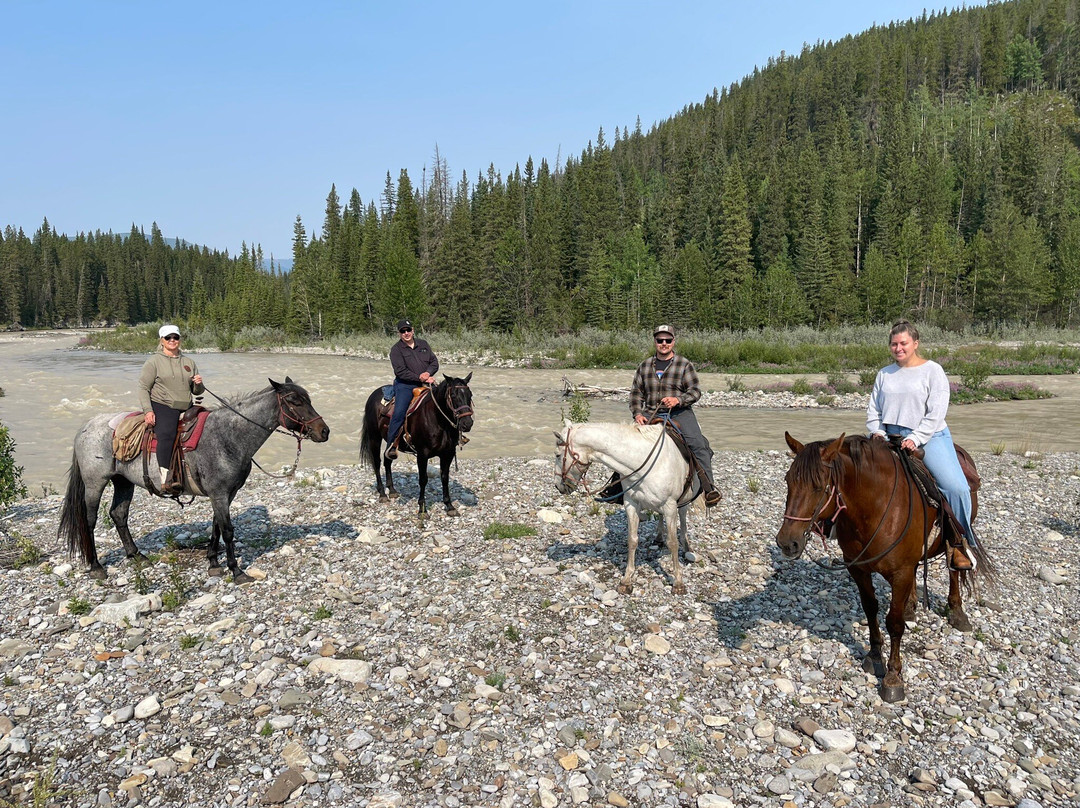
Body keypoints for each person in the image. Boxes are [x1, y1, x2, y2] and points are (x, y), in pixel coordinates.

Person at [866, 320, 975, 570]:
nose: (898, 348)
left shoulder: (932, 371)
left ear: (915, 343)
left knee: (956, 487)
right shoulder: (884, 373)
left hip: (929, 436)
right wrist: (877, 432)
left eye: (903, 343)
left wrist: (915, 437)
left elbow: (936, 412)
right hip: (889, 437)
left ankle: (959, 543)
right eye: (894, 344)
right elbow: (874, 410)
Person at [630, 325, 721, 507]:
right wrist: (638, 413)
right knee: (627, 444)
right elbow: (636, 393)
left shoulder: (684, 364)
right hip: (651, 412)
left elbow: (695, 391)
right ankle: (618, 490)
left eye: (668, 340)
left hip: (680, 413)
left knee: (698, 445)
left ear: (673, 341)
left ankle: (709, 488)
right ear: (655, 342)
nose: (664, 344)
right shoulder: (645, 366)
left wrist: (678, 400)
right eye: (660, 340)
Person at [138, 324, 204, 495]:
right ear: (162, 340)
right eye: (168, 338)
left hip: (187, 404)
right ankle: (165, 478)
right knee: (167, 434)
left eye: (175, 337)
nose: (172, 340)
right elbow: (143, 388)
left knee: (209, 425)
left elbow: (197, 391)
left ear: (180, 339)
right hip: (163, 405)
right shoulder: (153, 362)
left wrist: (198, 384)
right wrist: (148, 411)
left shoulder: (189, 362)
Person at [384, 319, 439, 460]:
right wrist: (420, 378)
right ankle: (391, 445)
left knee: (447, 400)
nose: (406, 333)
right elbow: (400, 371)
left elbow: (434, 362)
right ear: (399, 334)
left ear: (413, 330)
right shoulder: (396, 350)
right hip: (405, 385)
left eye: (408, 330)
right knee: (399, 412)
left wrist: (428, 373)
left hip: (426, 382)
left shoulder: (423, 344)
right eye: (403, 331)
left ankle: (455, 436)